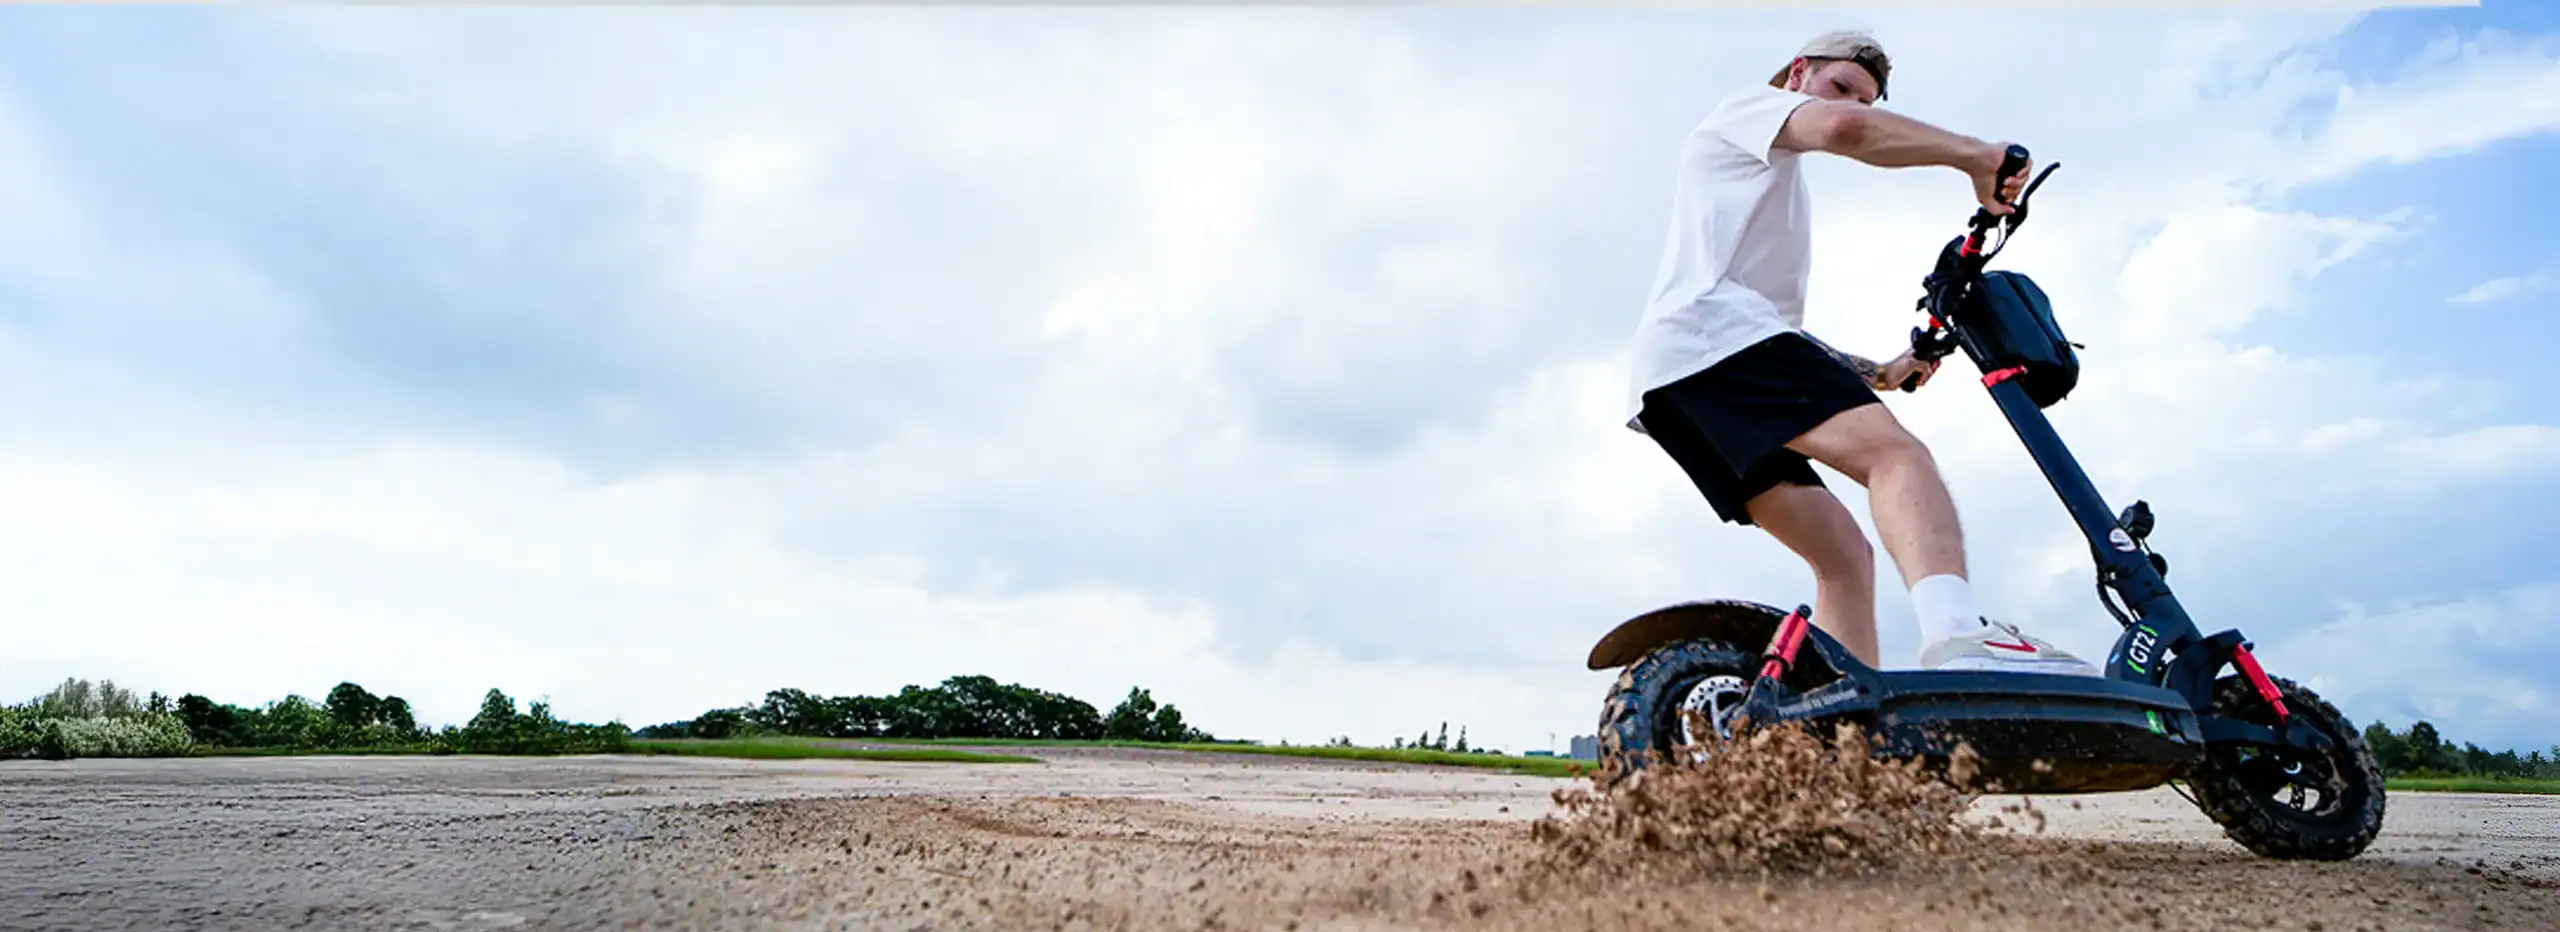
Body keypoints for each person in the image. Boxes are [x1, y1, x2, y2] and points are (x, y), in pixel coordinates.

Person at [1624, 28, 2096, 676]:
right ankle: (1960, 635)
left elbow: (1777, 334)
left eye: (1867, 98)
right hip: (1715, 343)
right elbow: (1844, 130)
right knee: (1896, 457)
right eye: (1841, 86)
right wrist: (1976, 157)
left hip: (1676, 383)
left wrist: (1885, 370)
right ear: (1797, 73)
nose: (1852, 105)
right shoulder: (1747, 110)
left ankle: (1844, 744)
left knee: (1844, 558)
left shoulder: (1762, 183)